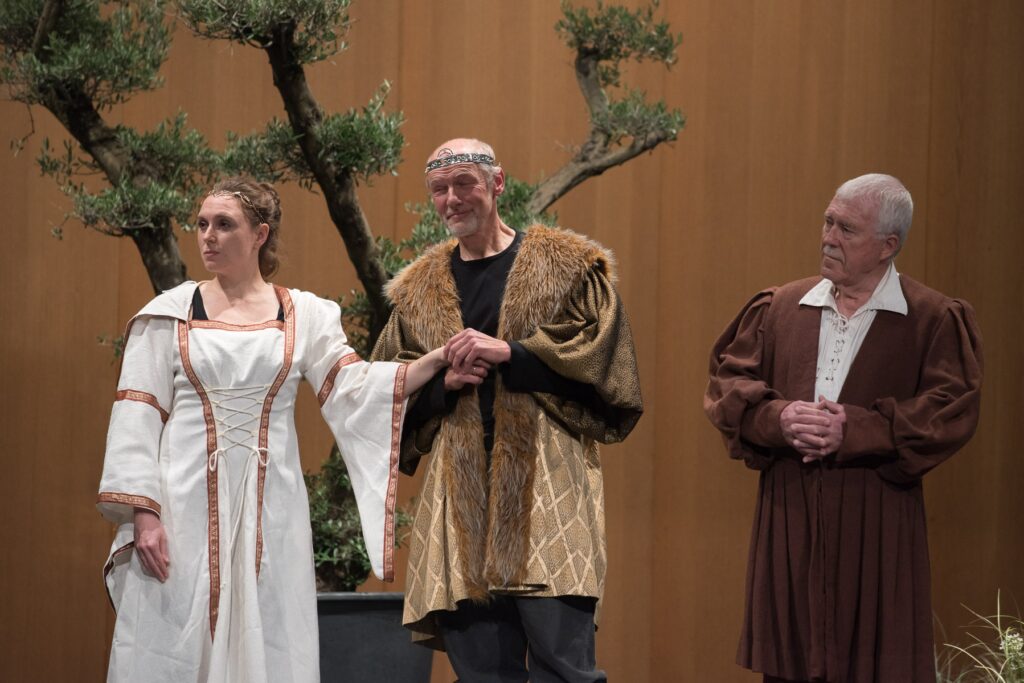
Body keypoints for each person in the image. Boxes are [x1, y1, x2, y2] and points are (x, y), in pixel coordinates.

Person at [96, 176, 451, 683]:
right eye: (202, 224)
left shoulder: (303, 313)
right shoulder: (169, 314)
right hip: (182, 503)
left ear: (260, 234)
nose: (208, 236)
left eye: (224, 224)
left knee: (270, 627)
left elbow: (351, 385)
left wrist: (432, 362)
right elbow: (136, 416)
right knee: (176, 632)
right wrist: (144, 515)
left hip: (271, 507)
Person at [370, 138, 643, 682]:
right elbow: (383, 388)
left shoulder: (567, 268)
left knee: (565, 669)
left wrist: (513, 353)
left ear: (496, 183)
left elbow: (609, 367)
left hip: (548, 497)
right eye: (440, 189)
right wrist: (443, 384)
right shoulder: (418, 292)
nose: (452, 199)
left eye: (464, 183)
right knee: (481, 673)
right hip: (460, 506)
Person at [704, 173, 983, 683]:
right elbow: (728, 385)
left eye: (847, 229)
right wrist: (778, 418)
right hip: (791, 515)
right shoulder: (782, 306)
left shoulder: (931, 318)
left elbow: (951, 409)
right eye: (828, 222)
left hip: (876, 520)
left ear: (887, 246)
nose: (828, 238)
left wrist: (856, 429)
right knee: (789, 666)